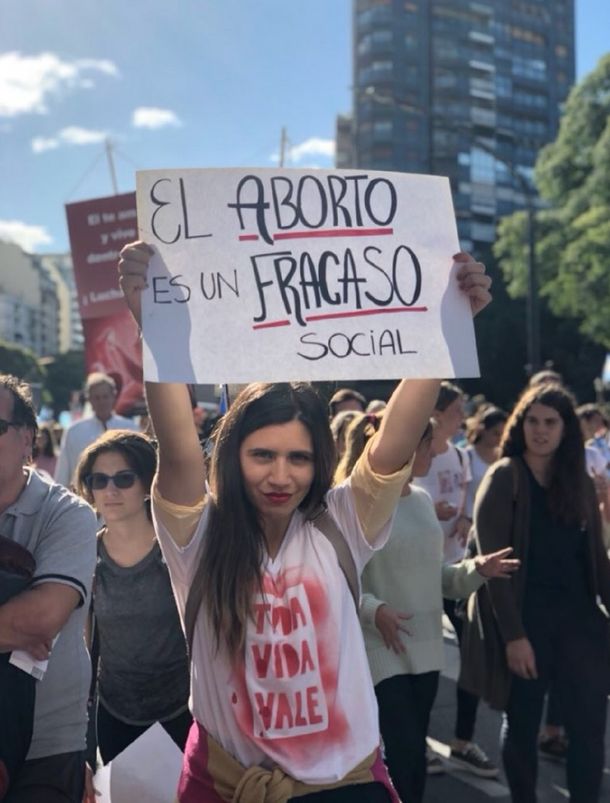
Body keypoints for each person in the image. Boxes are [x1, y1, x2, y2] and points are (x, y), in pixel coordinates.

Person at [118, 241, 491, 803]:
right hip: (226, 785)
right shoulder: (196, 534)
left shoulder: (341, 521)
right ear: (231, 454)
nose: (281, 476)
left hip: (344, 784)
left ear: (320, 461)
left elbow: (395, 435)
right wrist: (157, 327)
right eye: (262, 455)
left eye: (299, 458)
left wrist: (444, 329)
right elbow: (176, 448)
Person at [342, 417, 519, 802]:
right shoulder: (353, 503)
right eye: (428, 443)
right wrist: (374, 611)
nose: (437, 450)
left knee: (413, 764)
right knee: (401, 759)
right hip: (378, 653)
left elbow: (436, 576)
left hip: (425, 652)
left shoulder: (421, 500)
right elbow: (335, 583)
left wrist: (477, 570)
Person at [459, 383, 610, 803]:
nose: (540, 431)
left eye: (550, 422)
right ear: (520, 424)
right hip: (527, 623)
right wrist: (514, 636)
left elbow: (596, 559)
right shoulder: (505, 476)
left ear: (566, 429)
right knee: (522, 726)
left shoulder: (577, 479)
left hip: (580, 623)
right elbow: (494, 568)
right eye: (532, 421)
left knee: (589, 730)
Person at [0, 374, 97, 803]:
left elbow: (41, 618)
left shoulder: (68, 514)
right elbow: (22, 625)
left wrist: (27, 620)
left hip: (46, 747)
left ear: (27, 438)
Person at [75, 430, 191, 768]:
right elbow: (81, 645)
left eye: (124, 479)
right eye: (99, 480)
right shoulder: (85, 555)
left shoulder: (177, 549)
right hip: (114, 715)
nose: (110, 490)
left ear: (146, 484)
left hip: (182, 712)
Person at [412, 382, 498, 777]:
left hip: (454, 567)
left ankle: (463, 740)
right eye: (458, 408)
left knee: (472, 656)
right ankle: (415, 741)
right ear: (438, 411)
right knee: (418, 667)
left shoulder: (461, 455)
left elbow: (464, 503)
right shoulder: (414, 452)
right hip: (417, 574)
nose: (463, 416)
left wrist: (462, 517)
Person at [54, 373, 138, 488]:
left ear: (113, 396)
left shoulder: (130, 429)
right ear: (89, 399)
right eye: (96, 397)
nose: (101, 402)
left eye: (105, 396)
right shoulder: (74, 431)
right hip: (83, 498)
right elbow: (63, 474)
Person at [464, 406, 508, 518]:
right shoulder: (467, 455)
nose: (500, 438)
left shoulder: (504, 457)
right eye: (496, 433)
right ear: (483, 430)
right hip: (469, 519)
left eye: (503, 434)